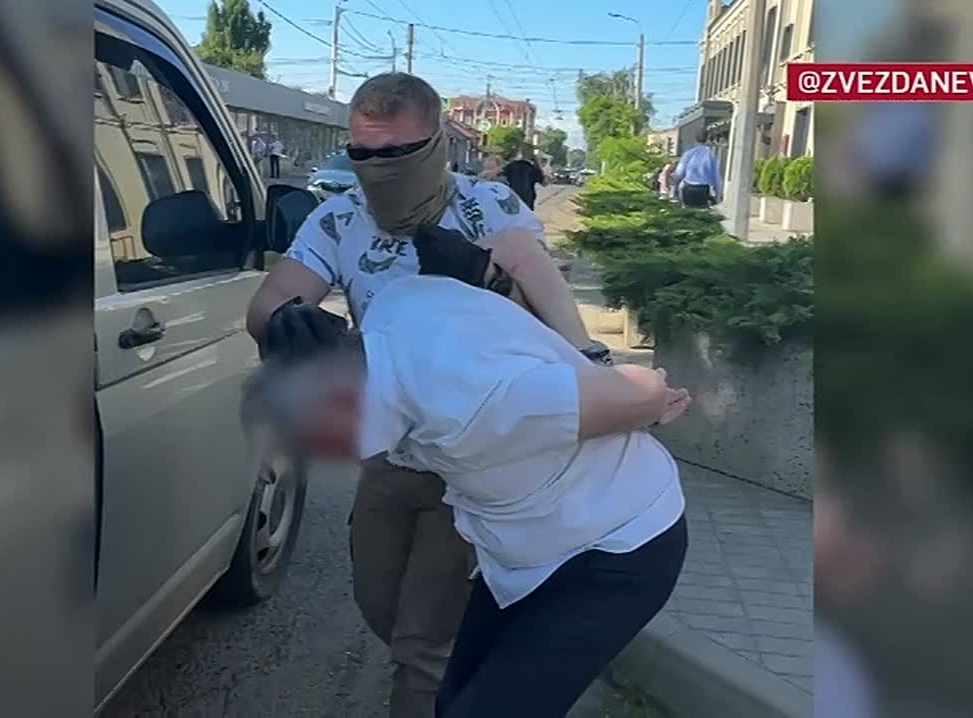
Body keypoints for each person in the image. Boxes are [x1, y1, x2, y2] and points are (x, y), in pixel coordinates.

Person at [243, 71, 605, 718]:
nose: (377, 169)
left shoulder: (493, 210)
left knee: (422, 645)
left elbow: (556, 332)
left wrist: (487, 278)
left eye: (396, 153)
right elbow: (271, 300)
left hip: (477, 457)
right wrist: (284, 323)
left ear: (438, 143)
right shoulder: (341, 216)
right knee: (380, 605)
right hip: (390, 454)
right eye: (362, 154)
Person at [244, 236, 692, 717]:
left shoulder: (475, 409)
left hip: (617, 550)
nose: (326, 459)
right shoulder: (393, 308)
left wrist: (650, 401)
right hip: (529, 552)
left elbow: (639, 386)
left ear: (341, 399)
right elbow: (483, 262)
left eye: (320, 442)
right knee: (454, 700)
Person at [673, 129, 723, 208]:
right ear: (707, 139)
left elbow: (679, 173)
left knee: (688, 211)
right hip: (703, 189)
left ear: (695, 139)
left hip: (688, 188)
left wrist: (675, 188)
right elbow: (717, 177)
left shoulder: (688, 153)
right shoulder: (711, 155)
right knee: (701, 211)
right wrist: (718, 196)